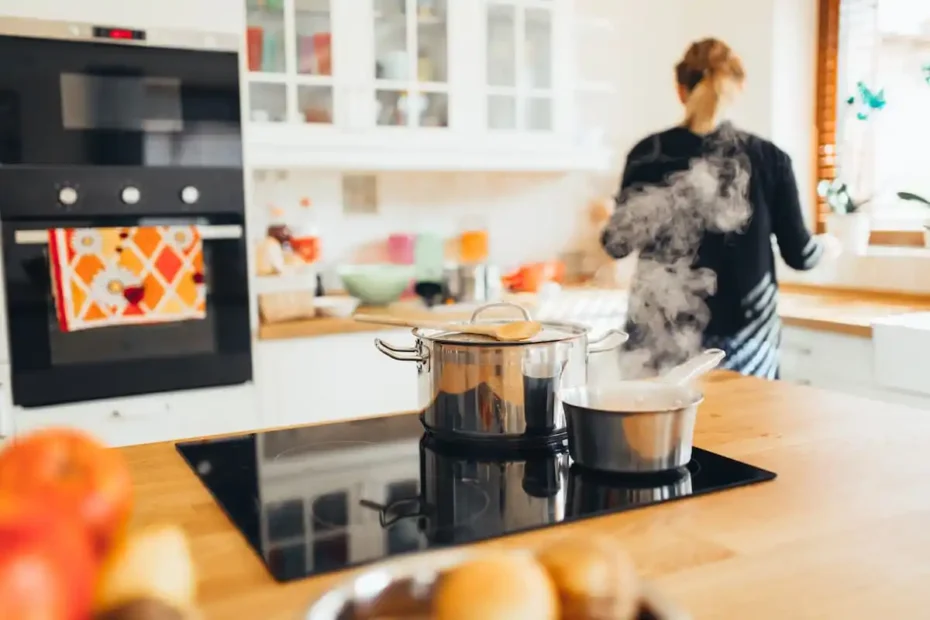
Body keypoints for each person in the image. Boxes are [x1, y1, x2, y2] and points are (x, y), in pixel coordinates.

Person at [599, 38, 838, 380]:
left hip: (657, 334)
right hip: (744, 340)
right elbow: (800, 254)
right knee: (741, 432)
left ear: (680, 90)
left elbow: (616, 244)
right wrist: (827, 247)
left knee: (655, 432)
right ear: (739, 88)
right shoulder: (769, 159)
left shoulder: (646, 154)